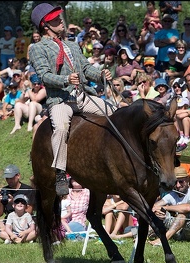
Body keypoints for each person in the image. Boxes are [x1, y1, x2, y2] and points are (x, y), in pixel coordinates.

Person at [29, 3, 117, 196]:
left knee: (114, 112)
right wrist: (65, 79)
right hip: (60, 100)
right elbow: (44, 76)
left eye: (59, 17)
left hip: (82, 96)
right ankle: (60, 173)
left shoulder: (72, 44)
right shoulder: (37, 48)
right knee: (60, 128)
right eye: (55, 19)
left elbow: (86, 69)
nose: (61, 20)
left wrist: (101, 75)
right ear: (45, 25)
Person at [149, 166, 190, 246]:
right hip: (181, 233)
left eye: (181, 181)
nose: (178, 185)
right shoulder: (172, 194)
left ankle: (163, 240)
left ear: (187, 179)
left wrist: (165, 208)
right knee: (159, 213)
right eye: (175, 182)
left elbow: (188, 208)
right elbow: (154, 206)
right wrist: (157, 210)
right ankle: (141, 236)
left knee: (183, 214)